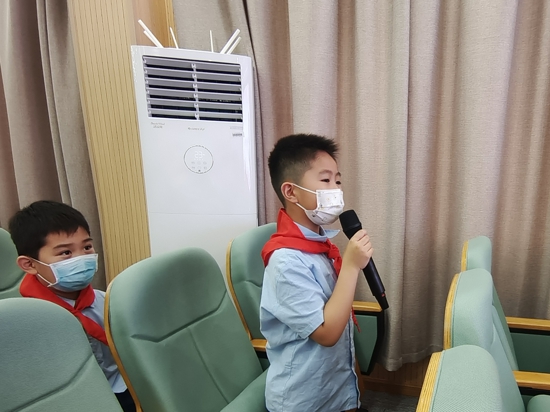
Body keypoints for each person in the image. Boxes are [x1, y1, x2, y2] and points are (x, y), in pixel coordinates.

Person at [260, 133, 373, 412]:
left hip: (335, 388)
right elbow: (326, 333)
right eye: (325, 180)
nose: (335, 190)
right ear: (291, 192)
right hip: (303, 399)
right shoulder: (286, 262)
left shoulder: (319, 245)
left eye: (338, 181)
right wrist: (351, 266)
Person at [9, 200, 136, 412]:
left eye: (87, 247)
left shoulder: (107, 300)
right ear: (29, 264)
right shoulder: (28, 323)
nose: (82, 259)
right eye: (66, 253)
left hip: (122, 386)